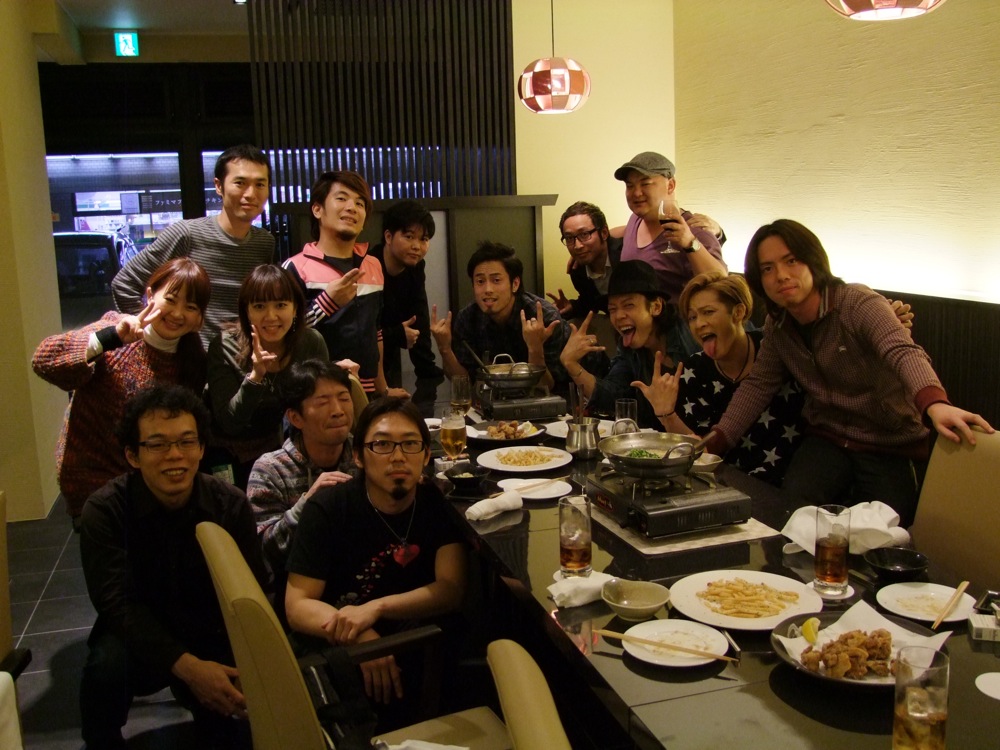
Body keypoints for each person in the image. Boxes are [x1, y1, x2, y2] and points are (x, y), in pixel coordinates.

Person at [705, 219, 993, 525]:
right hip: (828, 438)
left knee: (888, 530)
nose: (782, 275)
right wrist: (713, 443)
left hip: (888, 442)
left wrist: (935, 404)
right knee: (793, 515)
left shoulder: (857, 303)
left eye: (792, 261)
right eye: (767, 268)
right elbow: (758, 385)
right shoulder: (778, 327)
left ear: (814, 261)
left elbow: (902, 351)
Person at [79, 384, 267, 750]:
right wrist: (189, 668)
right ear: (133, 455)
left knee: (232, 732)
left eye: (186, 441)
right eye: (158, 444)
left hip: (210, 629)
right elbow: (117, 604)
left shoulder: (229, 505)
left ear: (201, 448)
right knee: (106, 667)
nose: (175, 455)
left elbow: (253, 587)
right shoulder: (105, 510)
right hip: (138, 631)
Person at [285, 397, 465, 725]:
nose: (398, 456)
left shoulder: (436, 503)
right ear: (358, 456)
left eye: (410, 444)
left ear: (426, 455)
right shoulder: (328, 508)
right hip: (338, 647)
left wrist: (377, 608)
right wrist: (361, 636)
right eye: (381, 444)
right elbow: (297, 606)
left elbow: (450, 588)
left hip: (415, 643)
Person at [33, 258, 210, 523]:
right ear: (150, 295)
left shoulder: (193, 358)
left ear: (199, 318)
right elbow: (44, 360)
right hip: (94, 484)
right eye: (171, 300)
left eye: (191, 307)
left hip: (153, 486)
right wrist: (110, 338)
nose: (177, 313)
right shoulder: (117, 329)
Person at [111, 144, 274, 347]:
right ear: (219, 186)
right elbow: (124, 284)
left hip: (242, 357)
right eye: (240, 183)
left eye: (260, 184)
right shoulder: (186, 234)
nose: (250, 193)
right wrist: (151, 336)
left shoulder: (265, 243)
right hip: (191, 359)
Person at [283, 170, 405, 398]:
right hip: (317, 391)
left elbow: (375, 331)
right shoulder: (295, 268)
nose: (352, 208)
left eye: (360, 203)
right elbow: (284, 334)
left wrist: (383, 388)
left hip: (367, 391)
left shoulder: (372, 265)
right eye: (341, 198)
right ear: (317, 209)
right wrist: (326, 303)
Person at [206, 264, 329, 488]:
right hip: (230, 452)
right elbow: (229, 423)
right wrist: (255, 378)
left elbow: (319, 404)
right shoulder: (225, 346)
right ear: (246, 311)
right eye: (259, 306)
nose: (271, 316)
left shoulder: (310, 343)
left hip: (283, 448)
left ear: (295, 308)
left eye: (280, 305)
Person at [248, 360, 357, 579]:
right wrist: (307, 505)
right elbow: (265, 552)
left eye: (344, 398)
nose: (338, 411)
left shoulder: (366, 455)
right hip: (297, 586)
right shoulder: (270, 470)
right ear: (295, 418)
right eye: (323, 402)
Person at [613, 151, 727, 359]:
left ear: (671, 185)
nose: (636, 193)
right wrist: (586, 246)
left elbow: (721, 282)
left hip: (682, 346)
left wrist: (689, 243)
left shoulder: (695, 230)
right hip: (641, 344)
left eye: (645, 184)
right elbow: (619, 231)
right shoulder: (635, 221)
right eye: (630, 186)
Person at [431, 241, 570, 390]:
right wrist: (444, 348)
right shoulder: (467, 319)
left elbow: (547, 387)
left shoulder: (545, 317)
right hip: (491, 400)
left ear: (515, 284)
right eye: (480, 281)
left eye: (496, 280)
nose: (488, 289)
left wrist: (535, 348)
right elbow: (464, 384)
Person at [560, 260, 682, 425]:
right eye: (612, 309)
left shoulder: (687, 338)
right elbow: (613, 397)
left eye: (628, 305)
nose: (618, 316)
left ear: (656, 306)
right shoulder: (628, 348)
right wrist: (571, 364)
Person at [369, 200, 444, 386]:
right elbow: (362, 332)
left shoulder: (416, 268)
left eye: (424, 239)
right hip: (364, 369)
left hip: (388, 365)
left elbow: (419, 319)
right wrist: (396, 335)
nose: (417, 246)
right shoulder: (367, 266)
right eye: (409, 237)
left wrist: (428, 372)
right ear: (388, 237)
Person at [545, 201, 623, 319]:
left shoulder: (626, 255)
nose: (577, 246)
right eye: (569, 238)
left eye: (584, 234)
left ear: (604, 233)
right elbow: (590, 302)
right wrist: (572, 306)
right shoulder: (578, 270)